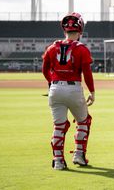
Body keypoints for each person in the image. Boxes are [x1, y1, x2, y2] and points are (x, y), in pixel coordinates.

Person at [42, 12, 95, 170]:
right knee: (84, 121)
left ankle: (58, 160)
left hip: (56, 88)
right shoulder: (82, 49)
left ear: (64, 30)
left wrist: (52, 82)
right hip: (73, 88)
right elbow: (87, 73)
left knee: (59, 125)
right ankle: (79, 154)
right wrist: (92, 91)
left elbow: (44, 70)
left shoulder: (52, 47)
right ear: (80, 30)